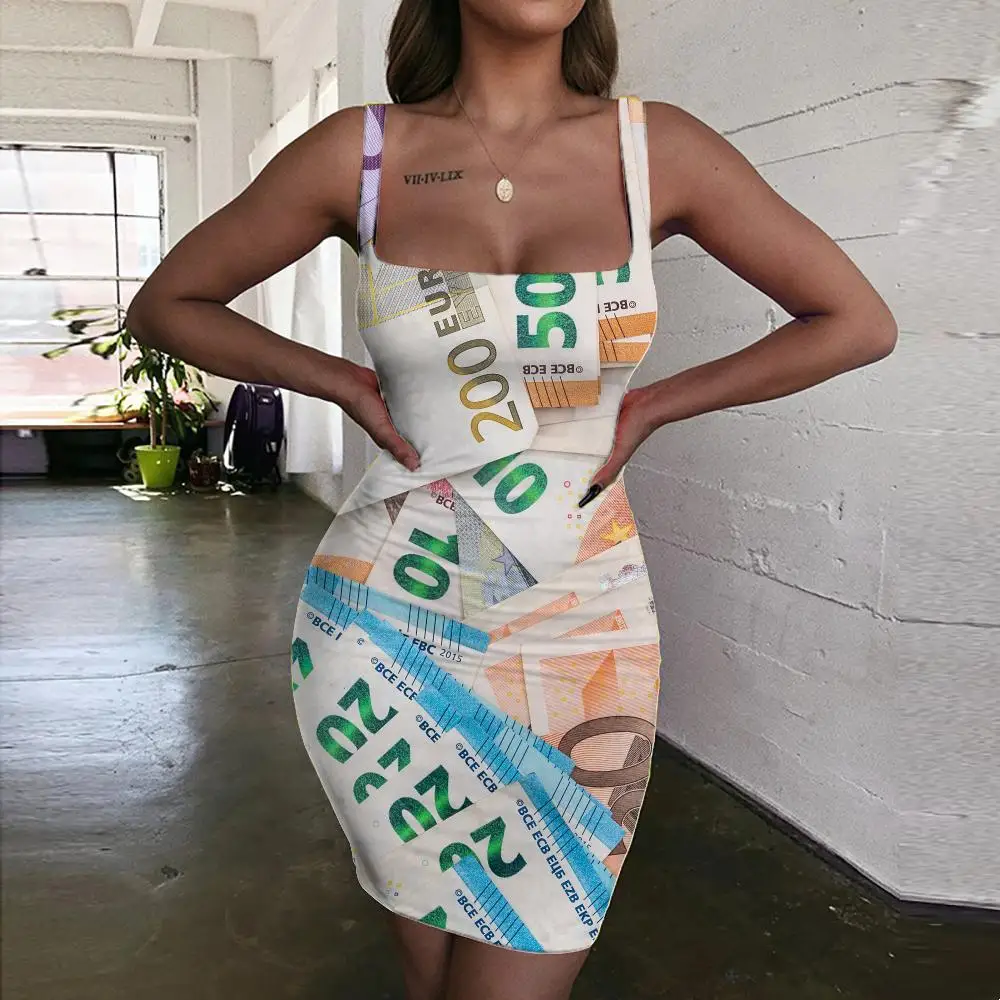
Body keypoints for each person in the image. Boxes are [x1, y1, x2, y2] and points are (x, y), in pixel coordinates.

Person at [126, 2, 897, 998]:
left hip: (586, 632)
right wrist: (343, 382)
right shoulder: (360, 154)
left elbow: (856, 320)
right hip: (382, 631)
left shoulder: (655, 149)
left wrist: (656, 404)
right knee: (433, 970)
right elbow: (167, 303)